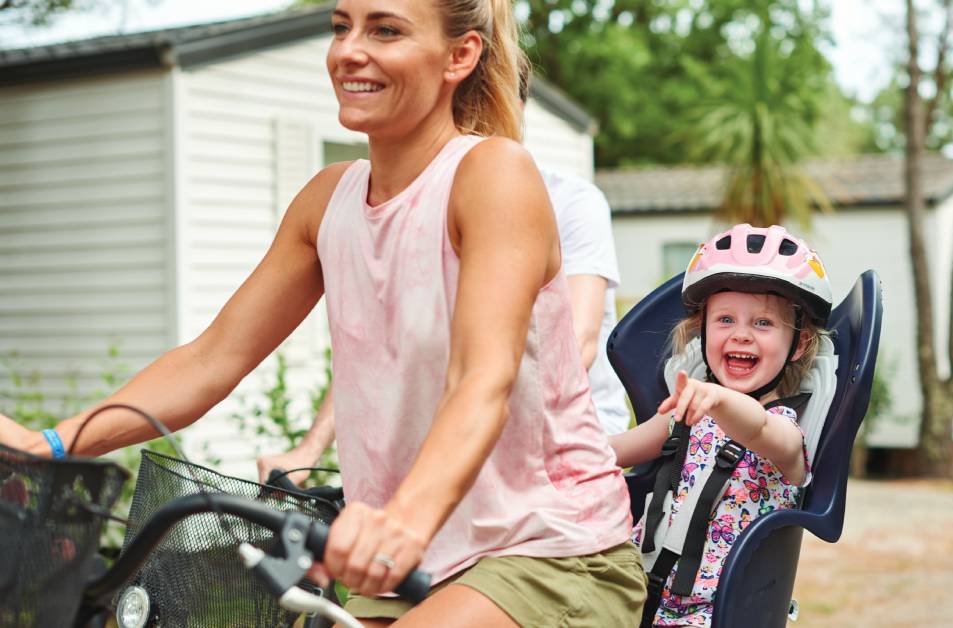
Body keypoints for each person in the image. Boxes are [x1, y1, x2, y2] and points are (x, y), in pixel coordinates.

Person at [0, 1, 644, 625]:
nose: (349, 51)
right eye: (342, 27)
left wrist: (403, 523)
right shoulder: (325, 201)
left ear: (460, 55)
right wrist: (49, 443)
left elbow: (483, 378)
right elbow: (212, 357)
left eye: (386, 30)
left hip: (545, 547)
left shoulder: (492, 174)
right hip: (403, 558)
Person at [256, 69, 629, 484]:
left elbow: (577, 344)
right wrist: (308, 449)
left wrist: (455, 424)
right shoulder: (418, 211)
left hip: (567, 443)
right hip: (467, 440)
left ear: (514, 109)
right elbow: (381, 351)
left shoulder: (572, 202)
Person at [608, 224, 828, 627]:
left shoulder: (785, 434)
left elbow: (757, 429)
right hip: (634, 594)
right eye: (725, 319)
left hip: (717, 614)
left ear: (798, 344)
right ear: (702, 331)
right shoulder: (687, 410)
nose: (741, 335)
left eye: (763, 323)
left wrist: (719, 399)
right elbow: (614, 451)